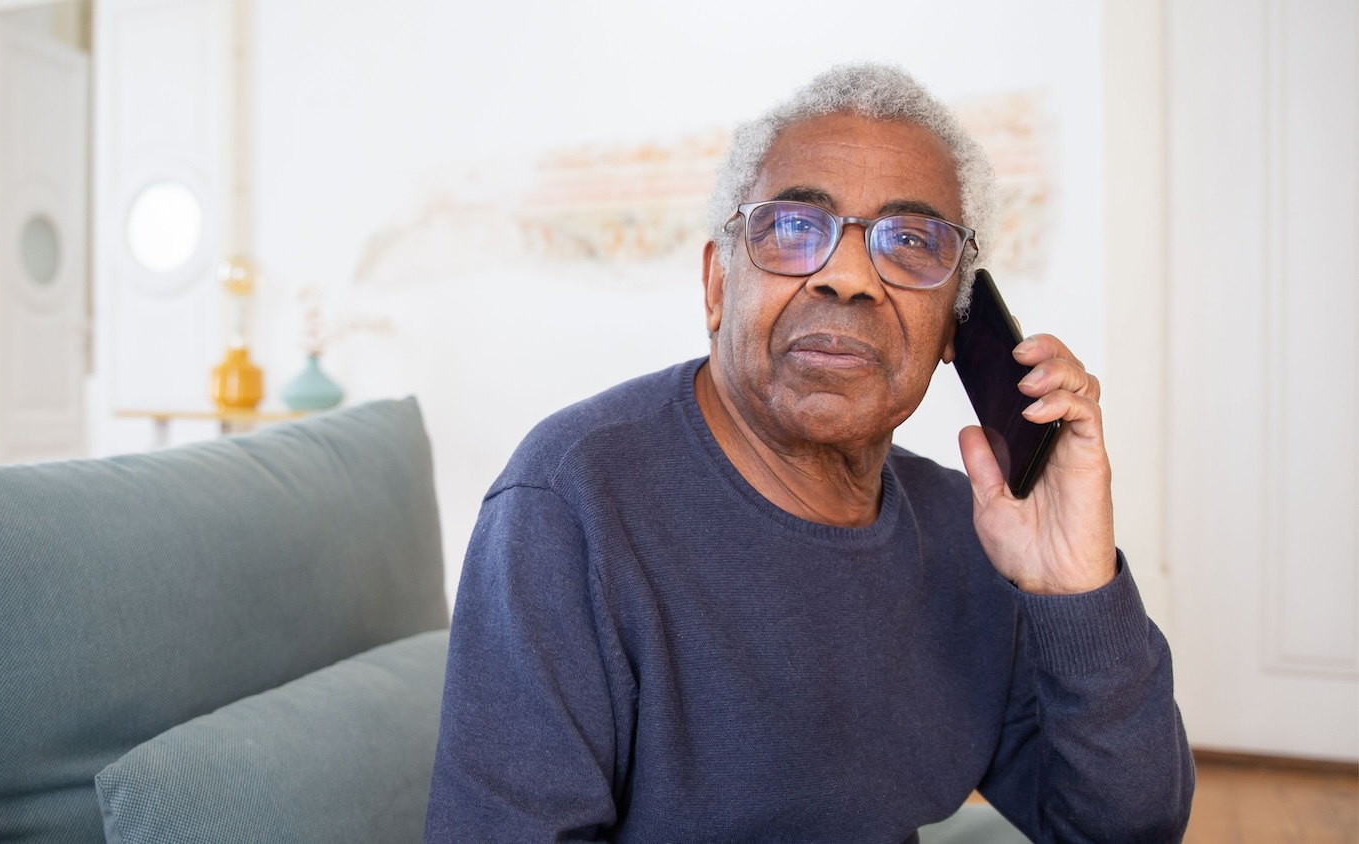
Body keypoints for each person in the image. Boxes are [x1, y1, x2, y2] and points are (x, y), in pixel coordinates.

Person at [424, 62, 1194, 842]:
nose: (849, 276)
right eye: (794, 227)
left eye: (912, 241)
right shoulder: (570, 506)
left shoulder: (971, 536)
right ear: (717, 285)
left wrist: (1077, 589)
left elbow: (1126, 828)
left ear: (956, 325)